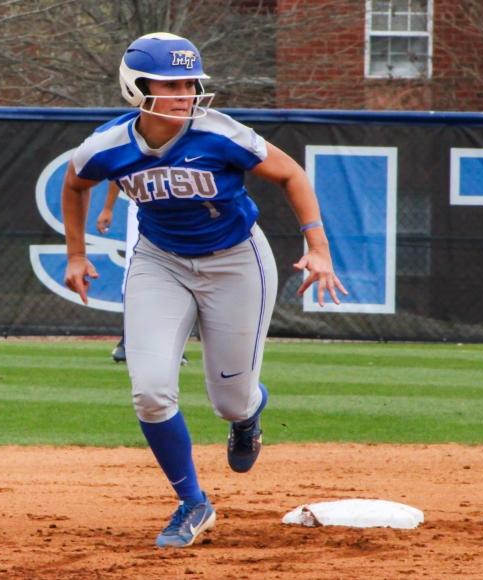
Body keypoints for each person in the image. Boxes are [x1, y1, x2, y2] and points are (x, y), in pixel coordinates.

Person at [62, 32, 346, 549]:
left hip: (236, 261)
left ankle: (248, 415)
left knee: (230, 401)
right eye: (170, 82)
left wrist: (318, 245)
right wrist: (76, 255)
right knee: (149, 392)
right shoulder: (106, 144)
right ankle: (192, 502)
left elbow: (291, 174)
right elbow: (74, 182)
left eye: (190, 81)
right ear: (136, 86)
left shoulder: (219, 133)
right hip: (159, 261)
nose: (185, 92)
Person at [96, 182, 189, 366]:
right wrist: (108, 207)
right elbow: (117, 162)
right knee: (134, 269)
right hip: (141, 202)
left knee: (177, 272)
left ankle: (172, 344)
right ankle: (129, 339)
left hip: (181, 204)